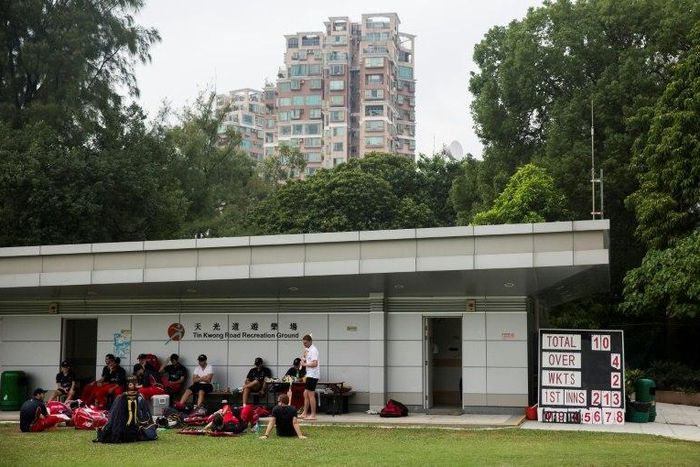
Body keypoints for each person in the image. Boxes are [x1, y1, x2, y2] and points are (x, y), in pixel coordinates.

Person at [94, 377, 157, 443]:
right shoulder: (122, 397)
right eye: (129, 383)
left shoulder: (137, 396)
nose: (130, 385)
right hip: (129, 424)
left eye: (132, 383)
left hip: (133, 423)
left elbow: (144, 412)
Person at [299, 334, 320, 420]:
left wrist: (305, 364)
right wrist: (303, 358)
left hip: (313, 375)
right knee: (305, 394)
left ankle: (313, 414)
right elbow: (307, 360)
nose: (304, 345)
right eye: (303, 343)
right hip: (309, 374)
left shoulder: (313, 350)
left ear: (310, 342)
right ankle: (304, 413)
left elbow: (315, 363)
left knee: (311, 395)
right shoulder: (307, 349)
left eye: (306, 343)